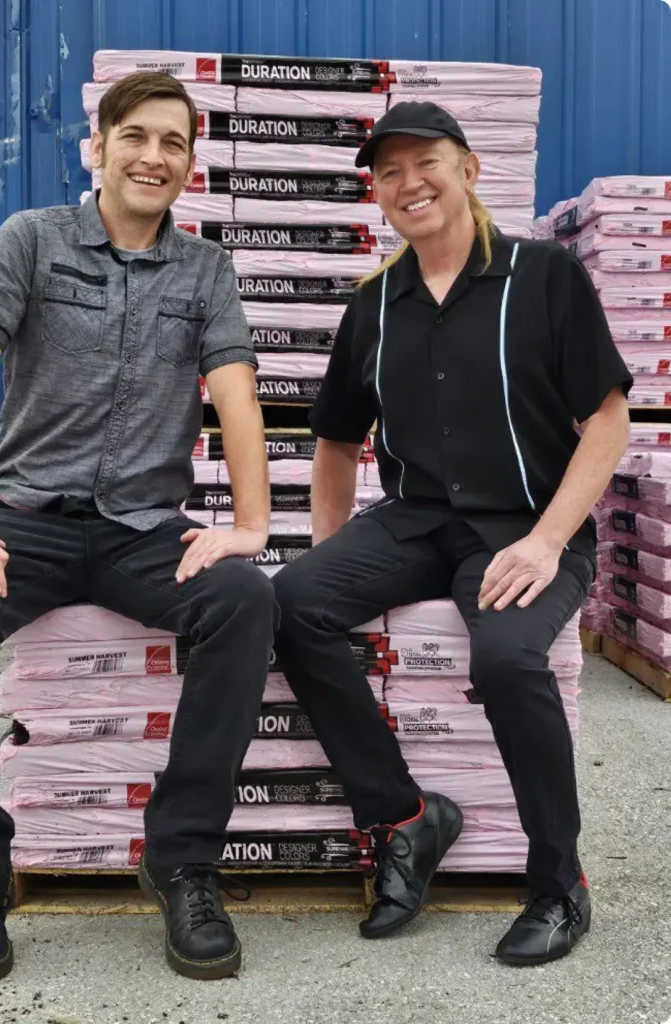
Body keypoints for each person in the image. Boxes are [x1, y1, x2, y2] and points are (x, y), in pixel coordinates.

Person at [0, 71, 276, 985]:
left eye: (174, 143)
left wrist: (251, 526)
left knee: (242, 598)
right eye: (137, 136)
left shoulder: (206, 270)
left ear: (189, 164)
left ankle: (183, 859)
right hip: (25, 517)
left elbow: (234, 394)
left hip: (142, 530)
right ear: (97, 147)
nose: (154, 156)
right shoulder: (31, 242)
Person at [272, 100, 632, 965]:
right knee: (288, 603)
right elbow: (333, 438)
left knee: (507, 657)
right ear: (378, 197)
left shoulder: (543, 276)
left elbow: (608, 419)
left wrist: (547, 542)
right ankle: (403, 817)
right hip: (414, 521)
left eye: (424, 162)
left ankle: (558, 883)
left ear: (467, 169)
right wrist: (329, 557)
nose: (408, 183)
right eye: (387, 172)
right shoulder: (375, 305)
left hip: (524, 524)